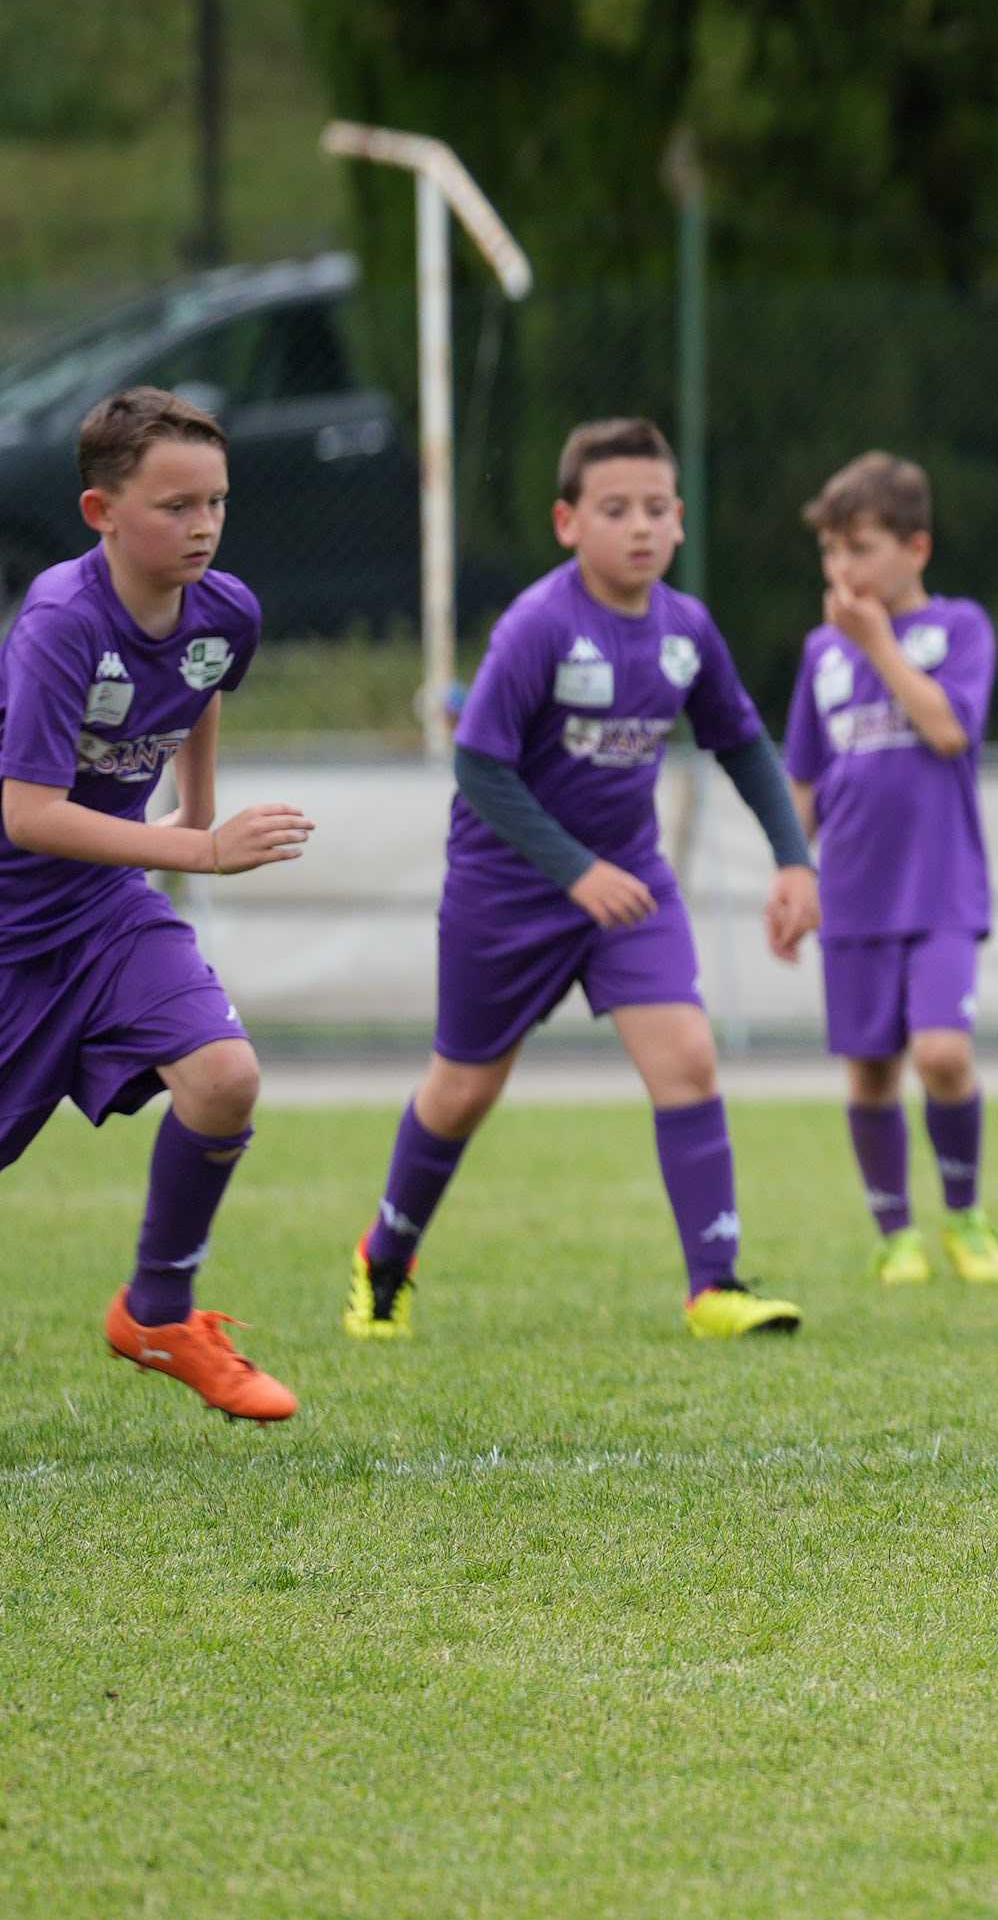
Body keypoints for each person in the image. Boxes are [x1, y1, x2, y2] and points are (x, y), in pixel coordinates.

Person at [349, 417, 819, 1340]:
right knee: (463, 1092)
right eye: (615, 510)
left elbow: (742, 744)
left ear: (679, 521)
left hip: (628, 884)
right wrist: (573, 871)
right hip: (506, 892)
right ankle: (385, 1257)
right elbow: (480, 767)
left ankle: (715, 1286)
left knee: (687, 1055)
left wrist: (795, 860)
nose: (640, 526)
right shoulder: (540, 625)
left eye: (656, 508)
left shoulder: (687, 630)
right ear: (567, 522)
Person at [0, 386, 311, 1420]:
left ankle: (159, 1314)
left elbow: (200, 680)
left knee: (224, 1079)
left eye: (216, 501)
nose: (204, 525)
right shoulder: (61, 621)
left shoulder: (226, 608)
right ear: (103, 513)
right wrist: (201, 848)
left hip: (102, 909)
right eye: (177, 506)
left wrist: (196, 811)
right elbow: (30, 815)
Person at [784, 453, 998, 1287]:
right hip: (853, 892)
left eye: (861, 549)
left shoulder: (960, 629)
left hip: (941, 889)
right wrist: (790, 870)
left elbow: (948, 730)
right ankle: (895, 1235)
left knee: (943, 1054)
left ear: (917, 548)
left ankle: (965, 1217)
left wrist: (878, 643)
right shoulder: (821, 653)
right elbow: (805, 776)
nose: (843, 569)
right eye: (831, 552)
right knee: (872, 1068)